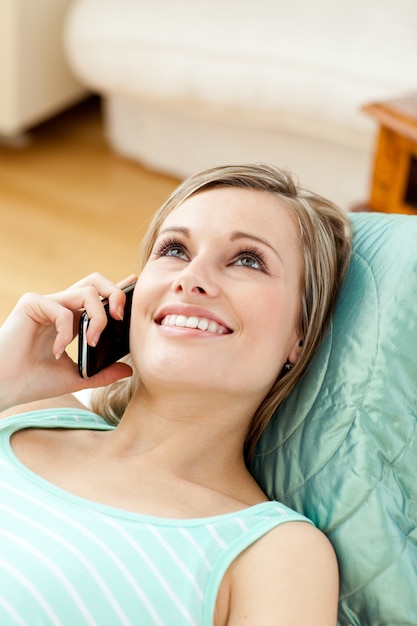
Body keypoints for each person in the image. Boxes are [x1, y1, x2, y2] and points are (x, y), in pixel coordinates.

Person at [0, 163, 351, 625]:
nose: (192, 277)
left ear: (299, 337)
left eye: (248, 260)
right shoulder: (25, 408)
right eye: (174, 250)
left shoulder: (272, 554)